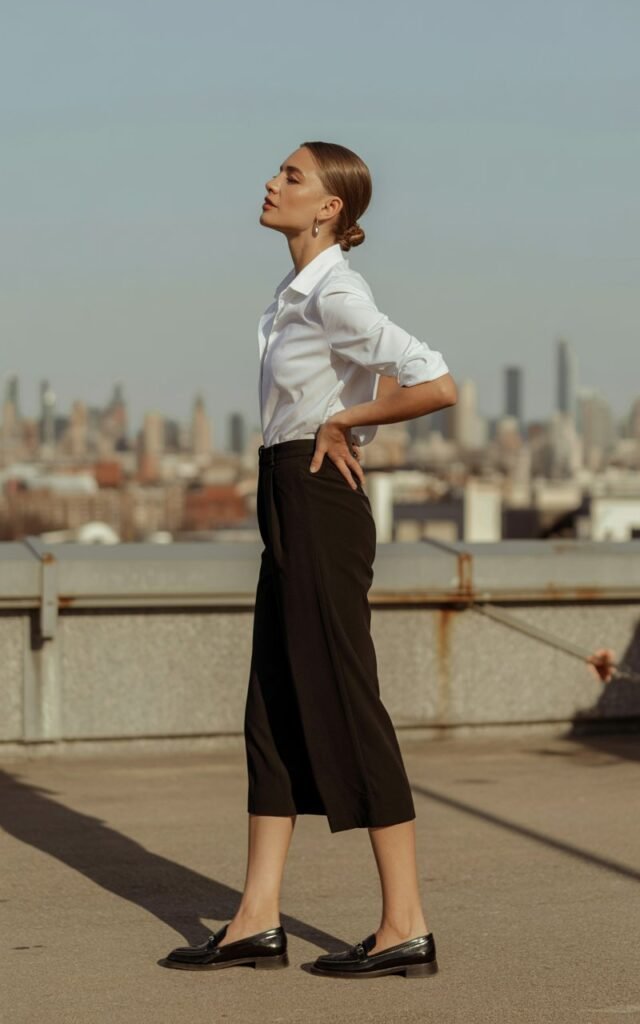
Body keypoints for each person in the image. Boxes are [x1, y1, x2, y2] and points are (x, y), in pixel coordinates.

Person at [164, 141, 457, 979]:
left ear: (330, 207)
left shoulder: (335, 291)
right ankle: (256, 919)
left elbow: (434, 380)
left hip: (319, 499)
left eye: (292, 176)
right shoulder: (294, 294)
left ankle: (405, 924)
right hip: (287, 495)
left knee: (347, 702)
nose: (272, 182)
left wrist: (344, 420)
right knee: (272, 705)